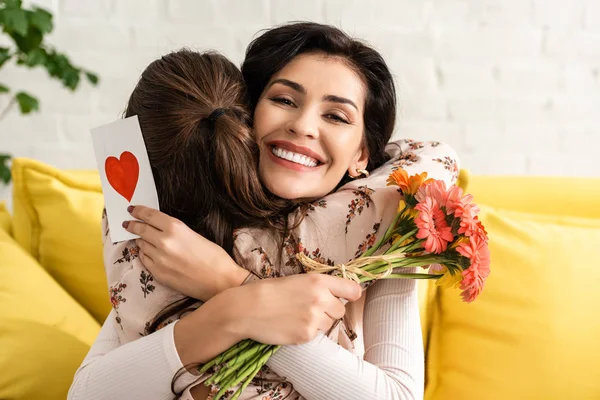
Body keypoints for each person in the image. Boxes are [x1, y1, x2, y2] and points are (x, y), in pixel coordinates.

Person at [69, 23, 459, 400]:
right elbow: (88, 394)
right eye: (284, 100)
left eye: (336, 116)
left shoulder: (377, 233)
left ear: (361, 155)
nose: (303, 126)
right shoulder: (187, 226)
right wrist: (232, 312)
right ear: (247, 115)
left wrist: (229, 285)